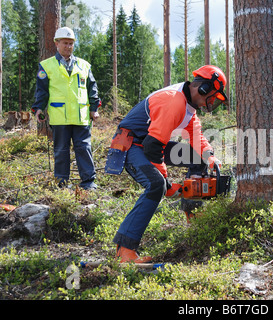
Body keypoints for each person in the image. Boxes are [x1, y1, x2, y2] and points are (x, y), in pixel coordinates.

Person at [108, 65, 227, 263]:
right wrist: (168, 184)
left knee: (198, 158)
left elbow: (195, 135)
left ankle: (193, 215)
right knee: (156, 186)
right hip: (131, 145)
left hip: (148, 142)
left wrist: (210, 157)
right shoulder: (174, 101)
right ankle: (125, 250)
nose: (211, 102)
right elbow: (152, 148)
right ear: (203, 89)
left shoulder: (188, 105)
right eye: (212, 97)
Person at [31, 27, 102, 190]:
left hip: (81, 116)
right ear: (57, 44)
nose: (68, 46)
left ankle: (89, 182)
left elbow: (92, 89)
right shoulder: (46, 66)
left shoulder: (85, 66)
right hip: (59, 117)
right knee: (61, 150)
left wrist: (94, 108)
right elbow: (41, 91)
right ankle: (62, 183)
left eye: (71, 43)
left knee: (84, 148)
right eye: (65, 43)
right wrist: (39, 109)